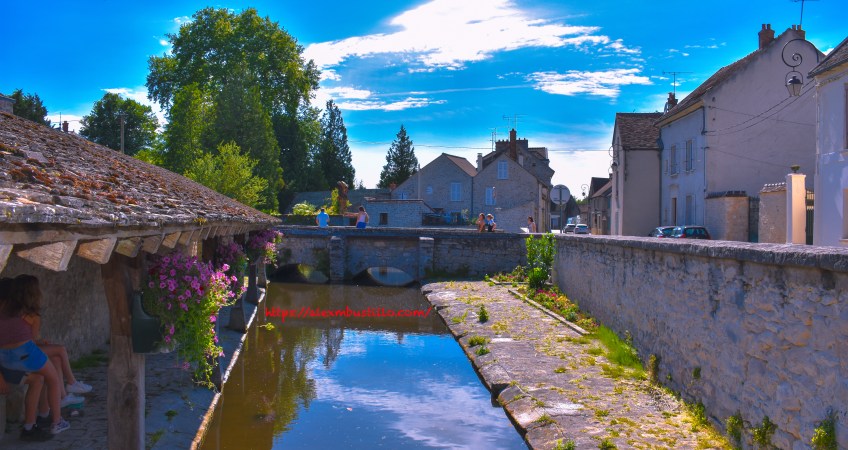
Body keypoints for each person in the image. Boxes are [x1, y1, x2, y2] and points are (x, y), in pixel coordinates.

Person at [0, 276, 70, 435]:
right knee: (53, 379)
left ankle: (30, 425)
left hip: (5, 360)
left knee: (38, 379)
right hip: (24, 353)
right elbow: (27, 340)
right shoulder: (26, 312)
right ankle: (57, 421)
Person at [15, 275, 92, 399]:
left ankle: (63, 397)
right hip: (23, 353)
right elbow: (31, 342)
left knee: (56, 359)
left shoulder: (13, 312)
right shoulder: (34, 316)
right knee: (60, 349)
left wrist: (40, 342)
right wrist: (40, 343)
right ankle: (72, 382)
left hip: (16, 351)